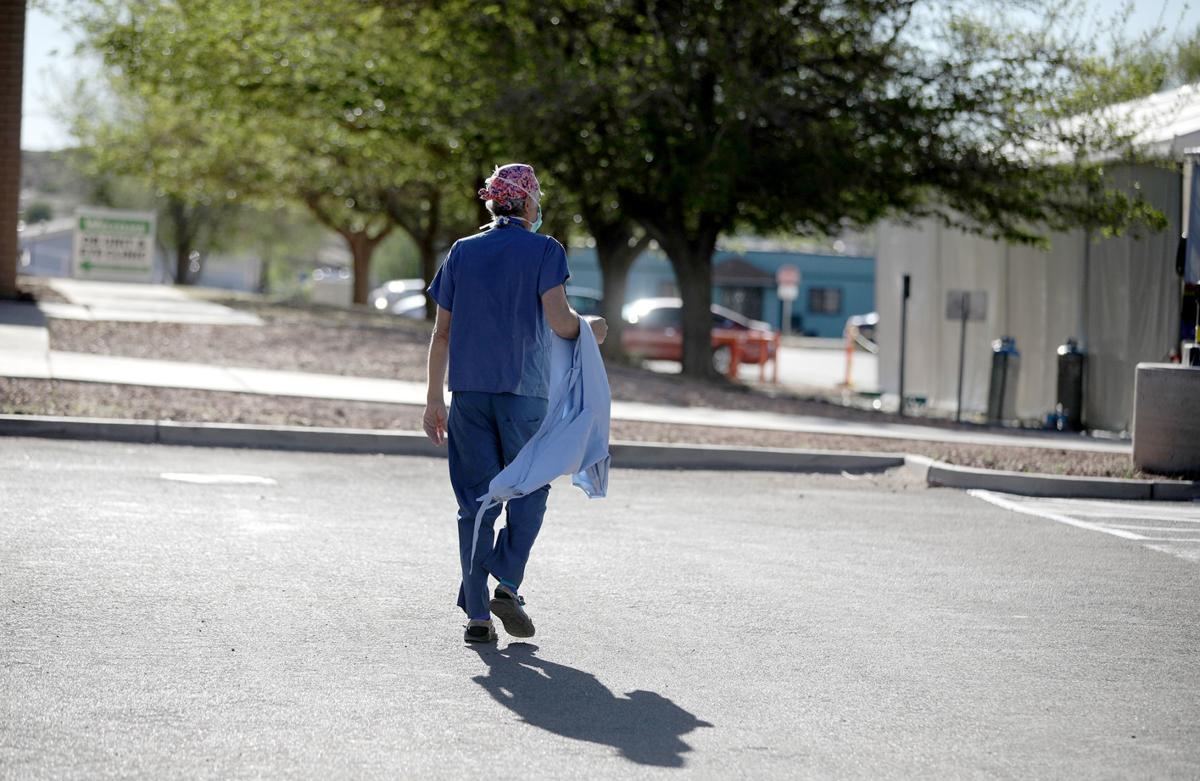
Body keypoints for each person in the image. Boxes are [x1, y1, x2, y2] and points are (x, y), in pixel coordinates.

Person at [423, 163, 608, 644]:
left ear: (492, 202)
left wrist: (433, 399)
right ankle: (506, 583)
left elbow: (441, 333)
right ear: (526, 202)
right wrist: (592, 328)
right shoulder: (545, 250)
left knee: (475, 503)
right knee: (530, 489)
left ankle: (477, 617)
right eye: (537, 197)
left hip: (468, 394)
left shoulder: (462, 251)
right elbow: (560, 322)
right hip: (524, 394)